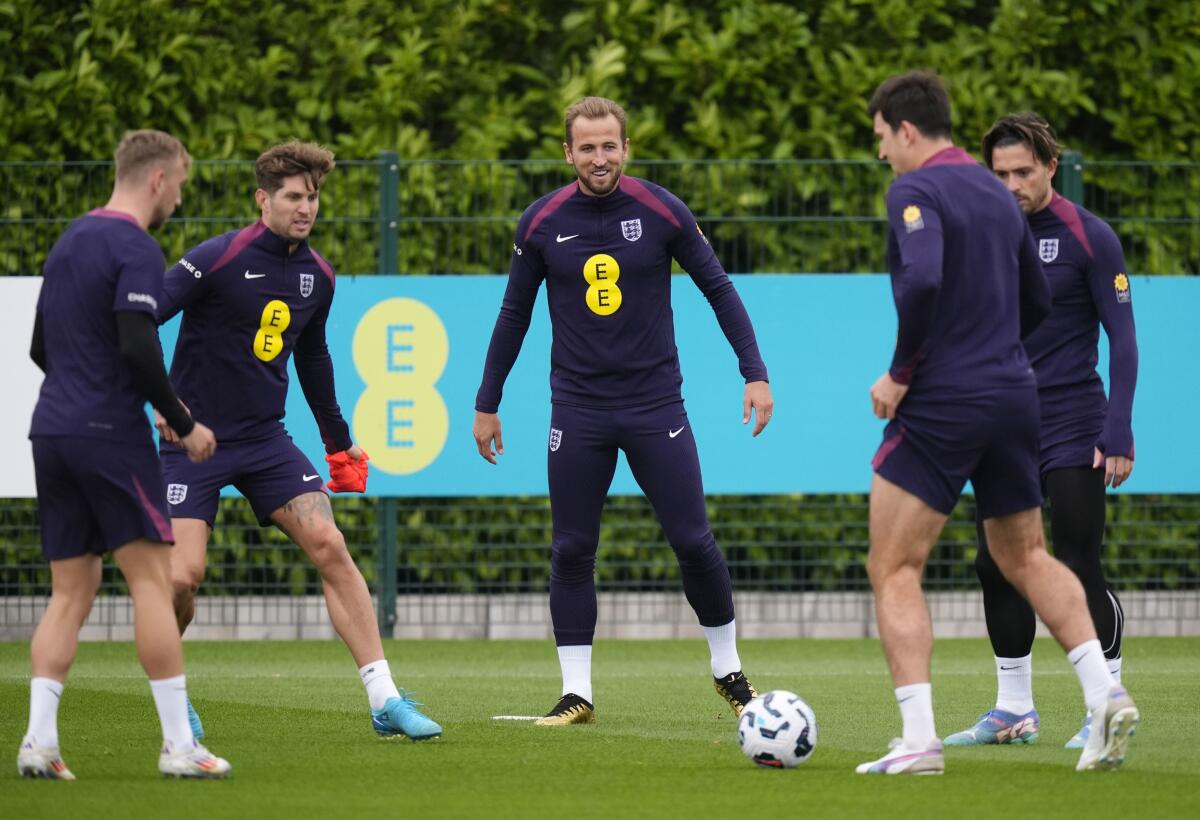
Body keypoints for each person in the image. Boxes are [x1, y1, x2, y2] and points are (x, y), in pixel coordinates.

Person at [857, 71, 1138, 775]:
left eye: (882, 138)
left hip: (948, 396)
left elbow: (921, 280)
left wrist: (900, 372)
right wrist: (1001, 350)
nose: (883, 153)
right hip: (1018, 393)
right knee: (1025, 556)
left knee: (893, 565)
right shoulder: (995, 193)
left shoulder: (914, 190)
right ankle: (1105, 694)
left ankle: (918, 739)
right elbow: (1037, 299)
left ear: (906, 129)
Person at [472, 96, 774, 726]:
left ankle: (729, 670)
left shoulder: (662, 210)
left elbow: (718, 287)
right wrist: (487, 403)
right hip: (578, 409)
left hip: (654, 403)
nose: (599, 157)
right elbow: (513, 316)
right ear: (568, 153)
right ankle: (576, 693)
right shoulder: (541, 222)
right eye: (587, 147)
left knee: (693, 540)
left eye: (609, 145)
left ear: (626, 148)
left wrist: (755, 371)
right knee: (572, 548)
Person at [155, 141, 441, 741]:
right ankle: (172, 694)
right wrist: (162, 405)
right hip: (194, 442)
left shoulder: (320, 275)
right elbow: (140, 318)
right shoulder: (217, 257)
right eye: (292, 196)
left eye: (312, 197)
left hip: (265, 441)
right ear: (263, 199)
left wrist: (339, 445)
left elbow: (313, 359)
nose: (304, 207)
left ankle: (385, 699)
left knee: (328, 543)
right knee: (183, 577)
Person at [20, 129, 231, 779]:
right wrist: (183, 422)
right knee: (150, 581)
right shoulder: (136, 247)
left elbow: (39, 348)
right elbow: (140, 349)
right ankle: (178, 747)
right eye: (181, 186)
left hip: (51, 431)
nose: (178, 201)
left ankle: (39, 743)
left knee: (70, 593)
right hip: (107, 435)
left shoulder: (70, 240)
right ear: (159, 180)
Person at [945, 113, 1139, 750]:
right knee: (994, 563)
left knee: (1078, 561)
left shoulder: (1091, 237)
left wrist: (1118, 429)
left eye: (1023, 172)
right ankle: (1014, 710)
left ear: (1051, 167)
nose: (1011, 185)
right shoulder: (980, 236)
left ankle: (1104, 702)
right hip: (1004, 425)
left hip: (1075, 424)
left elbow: (1125, 339)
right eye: (999, 174)